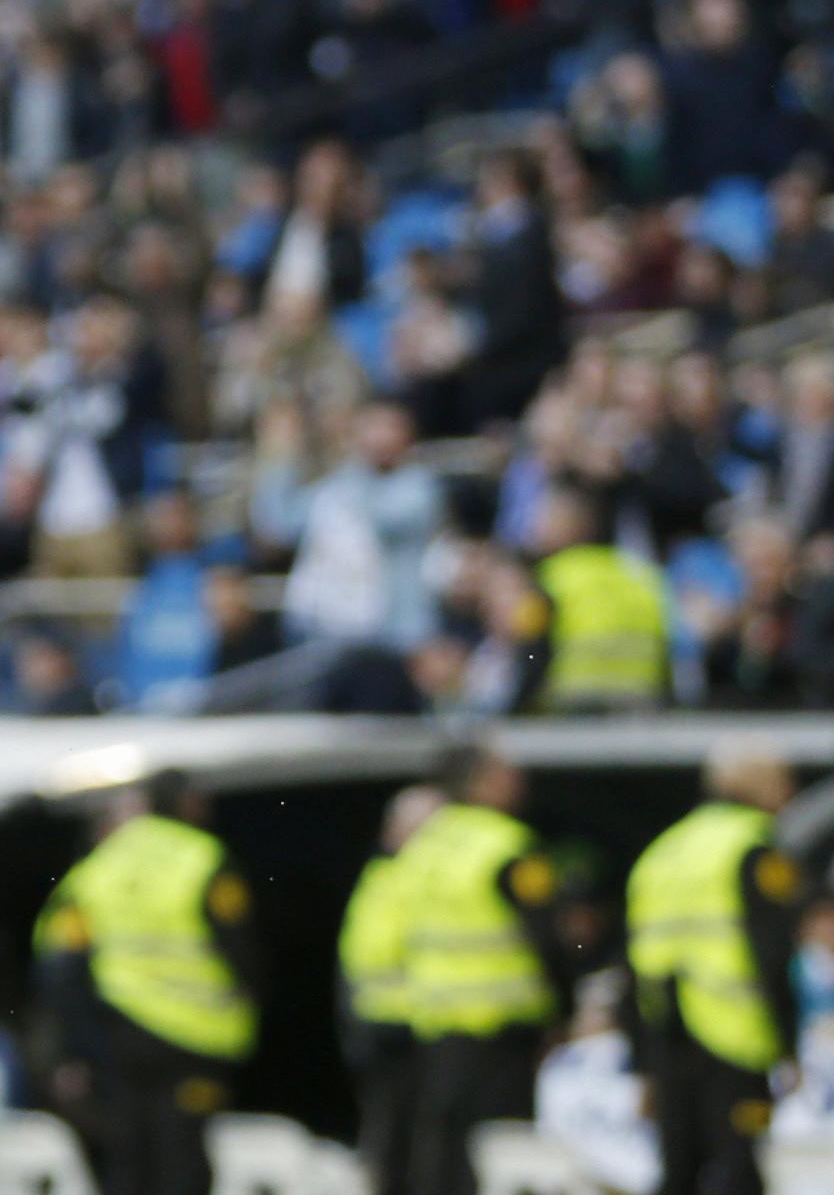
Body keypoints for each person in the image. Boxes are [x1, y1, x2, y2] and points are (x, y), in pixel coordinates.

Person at [35, 774, 261, 1195]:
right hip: (196, 1038)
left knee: (129, 1158)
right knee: (184, 1160)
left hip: (120, 1036)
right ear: (190, 804)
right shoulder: (204, 857)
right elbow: (241, 948)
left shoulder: (99, 866)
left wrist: (72, 1047)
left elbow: (61, 961)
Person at [624, 745, 802, 1195]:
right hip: (735, 1039)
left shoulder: (662, 852)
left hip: (667, 1038)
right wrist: (789, 1042)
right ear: (753, 783)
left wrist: (642, 1060)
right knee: (740, 1172)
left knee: (678, 1171)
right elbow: (774, 952)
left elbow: (635, 964)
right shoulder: (754, 847)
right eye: (783, 778)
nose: (789, 792)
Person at [401, 741, 567, 1195]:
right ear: (479, 782)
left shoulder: (425, 844)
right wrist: (564, 1008)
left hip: (436, 1024)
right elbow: (550, 937)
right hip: (501, 1030)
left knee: (443, 1150)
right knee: (501, 1158)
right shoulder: (507, 845)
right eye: (505, 773)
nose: (518, 782)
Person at [341, 786, 444, 1195]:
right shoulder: (385, 878)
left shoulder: (398, 879)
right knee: (394, 1151)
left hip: (430, 1033)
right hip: (390, 1036)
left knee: (426, 1153)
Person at [518, 489, 672, 711]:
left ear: (579, 525)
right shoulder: (641, 573)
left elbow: (532, 645)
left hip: (573, 701)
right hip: (640, 698)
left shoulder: (551, 575)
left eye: (548, 518)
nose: (536, 528)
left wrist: (519, 705)